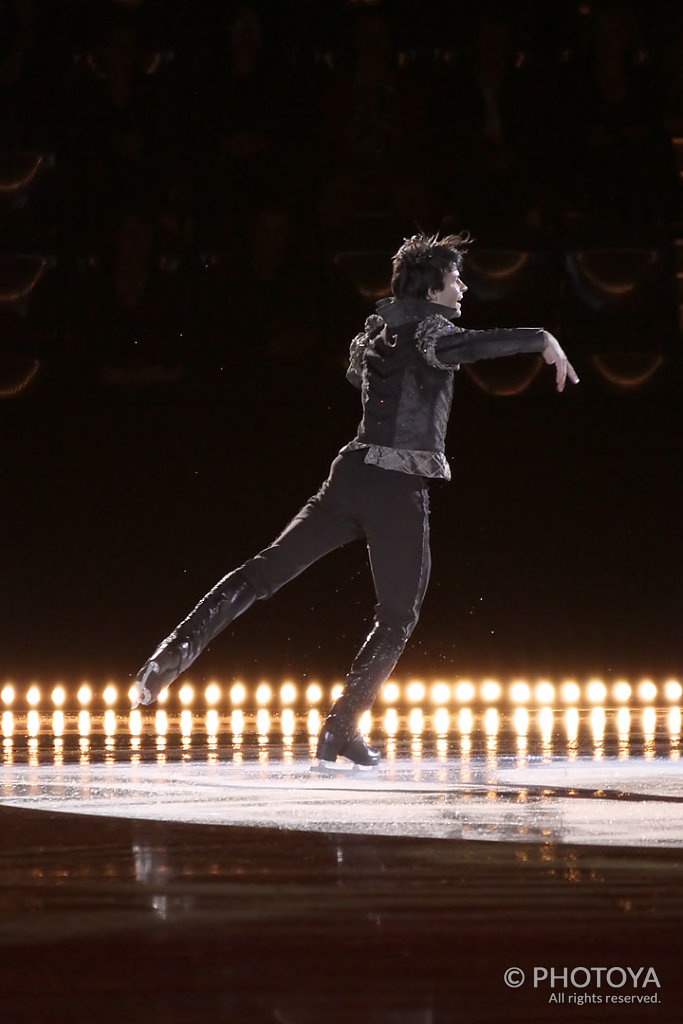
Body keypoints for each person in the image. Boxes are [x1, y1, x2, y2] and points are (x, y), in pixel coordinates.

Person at [131, 232, 578, 770]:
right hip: (395, 486)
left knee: (262, 573)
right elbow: (468, 347)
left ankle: (168, 658)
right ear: (433, 284)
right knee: (397, 616)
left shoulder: (379, 328)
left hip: (349, 477)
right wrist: (540, 337)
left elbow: (357, 375)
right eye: (456, 277)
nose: (464, 286)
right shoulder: (432, 331)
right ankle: (341, 728)